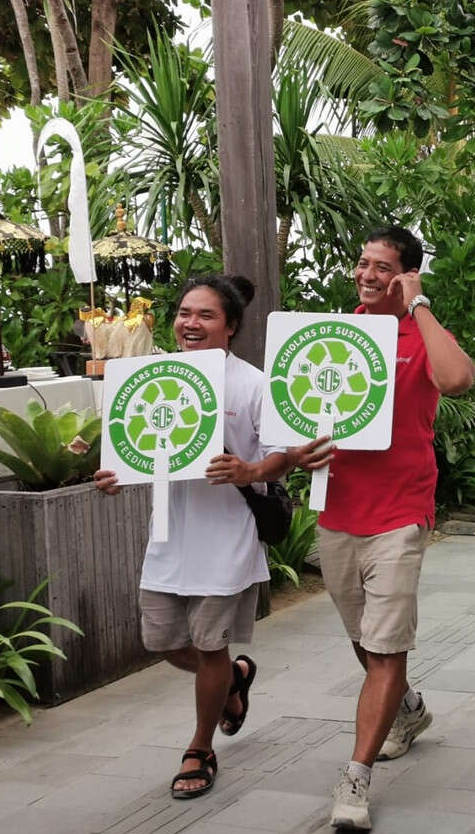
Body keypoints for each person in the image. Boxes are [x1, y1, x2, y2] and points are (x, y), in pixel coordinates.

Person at [93, 275, 332, 800]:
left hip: (226, 538)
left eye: (205, 315)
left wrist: (249, 470)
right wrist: (114, 474)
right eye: (184, 313)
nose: (190, 323)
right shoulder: (151, 377)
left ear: (230, 328)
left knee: (208, 646)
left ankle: (199, 748)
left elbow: (283, 452)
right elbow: (132, 447)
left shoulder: (251, 383)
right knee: (164, 642)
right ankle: (234, 679)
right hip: (168, 537)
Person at [319, 226, 475, 833]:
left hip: (401, 514)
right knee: (363, 639)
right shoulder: (338, 335)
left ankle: (355, 778)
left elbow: (457, 379)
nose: (367, 275)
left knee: (385, 646)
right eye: (363, 264)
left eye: (383, 267)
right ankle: (407, 709)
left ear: (406, 274)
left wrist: (419, 303)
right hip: (338, 510)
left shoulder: (419, 332)